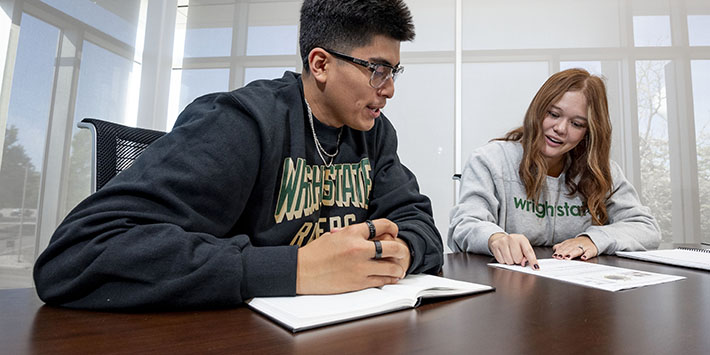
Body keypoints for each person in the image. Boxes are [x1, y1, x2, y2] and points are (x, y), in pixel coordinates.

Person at [33, 0, 443, 310]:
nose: (388, 88)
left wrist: (400, 251)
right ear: (320, 64)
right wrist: (298, 269)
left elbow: (419, 224)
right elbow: (77, 255)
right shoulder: (241, 123)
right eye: (378, 69)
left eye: (393, 72)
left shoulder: (373, 133)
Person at [448, 68, 660, 269]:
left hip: (578, 292)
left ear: (588, 132)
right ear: (537, 111)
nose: (560, 129)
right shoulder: (490, 160)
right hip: (509, 289)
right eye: (553, 114)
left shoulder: (601, 172)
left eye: (576, 124)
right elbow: (463, 224)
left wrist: (593, 239)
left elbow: (646, 228)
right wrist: (495, 238)